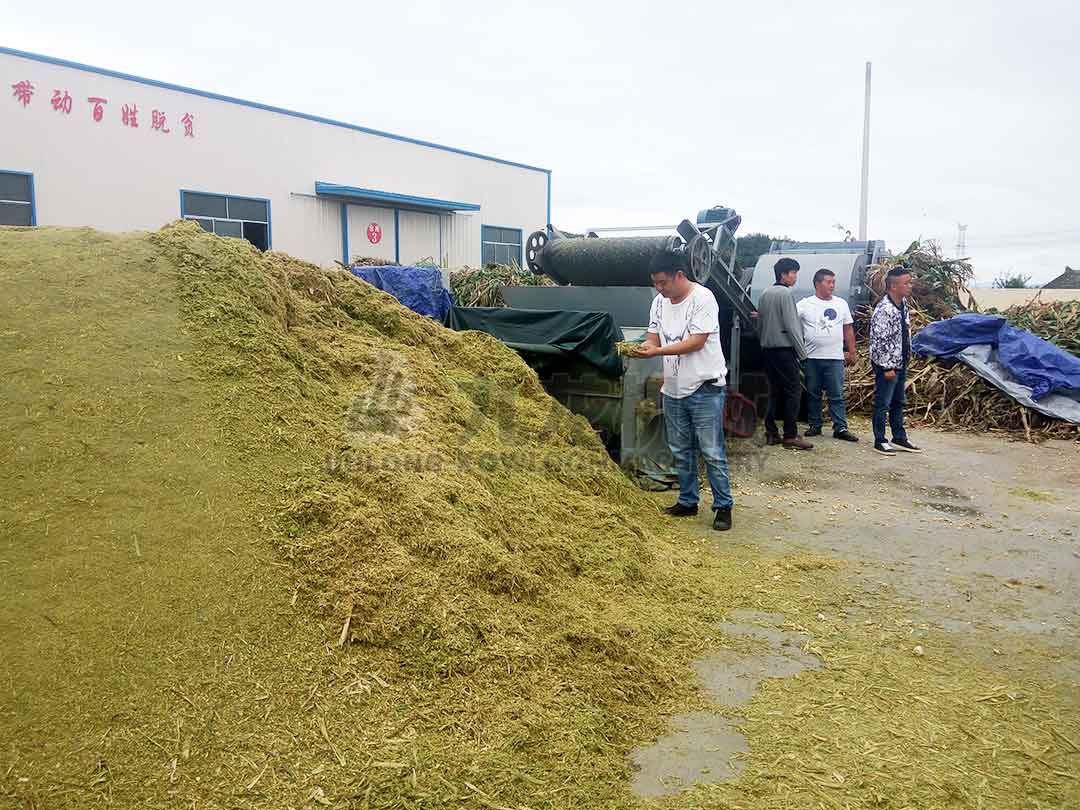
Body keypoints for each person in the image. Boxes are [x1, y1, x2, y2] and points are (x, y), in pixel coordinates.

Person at [636, 249, 734, 531]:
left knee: (711, 449)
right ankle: (688, 500)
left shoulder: (703, 298)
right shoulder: (658, 302)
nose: (660, 288)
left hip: (705, 387)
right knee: (680, 448)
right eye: (655, 283)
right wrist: (643, 347)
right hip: (674, 387)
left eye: (663, 282)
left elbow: (696, 341)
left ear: (679, 275)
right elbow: (652, 335)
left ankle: (723, 506)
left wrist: (657, 351)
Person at [796, 268, 859, 442]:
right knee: (813, 393)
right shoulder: (805, 304)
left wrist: (852, 351)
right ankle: (815, 425)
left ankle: (840, 427)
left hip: (834, 358)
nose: (832, 285)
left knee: (836, 394)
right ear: (818, 284)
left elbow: (848, 328)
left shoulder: (841, 304)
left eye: (833, 282)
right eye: (828, 282)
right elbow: (789, 317)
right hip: (812, 357)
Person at [757, 257, 811, 449]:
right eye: (793, 273)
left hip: (767, 350)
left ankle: (771, 432)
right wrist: (803, 355)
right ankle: (790, 435)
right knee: (793, 391)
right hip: (784, 350)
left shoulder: (765, 293)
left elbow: (760, 322)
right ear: (784, 274)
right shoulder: (785, 294)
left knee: (774, 392)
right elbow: (792, 326)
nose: (795, 277)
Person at [869, 266, 923, 456]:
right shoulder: (884, 309)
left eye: (910, 282)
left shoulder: (903, 303)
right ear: (893, 286)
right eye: (906, 283)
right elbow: (879, 340)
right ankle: (880, 440)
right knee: (883, 403)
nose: (910, 286)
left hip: (901, 361)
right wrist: (886, 367)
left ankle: (899, 436)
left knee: (899, 401)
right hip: (888, 365)